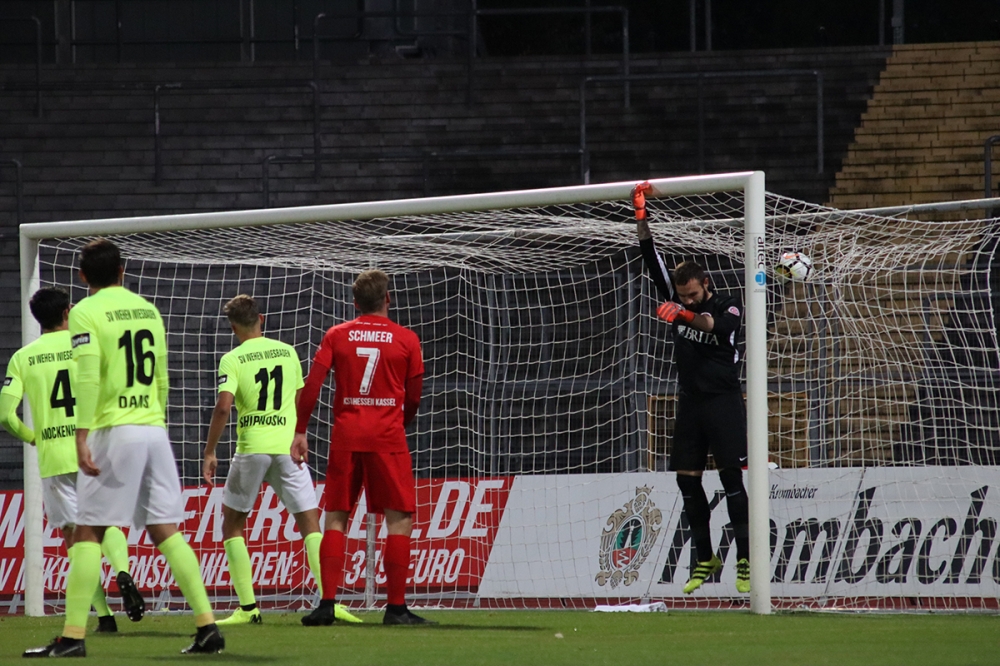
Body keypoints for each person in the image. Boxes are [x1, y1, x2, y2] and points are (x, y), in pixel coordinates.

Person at [24, 239, 223, 658]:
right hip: (153, 429)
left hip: (114, 430)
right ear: (122, 270)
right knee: (164, 529)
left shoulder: (85, 311)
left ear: (83, 276)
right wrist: (155, 422)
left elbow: (88, 376)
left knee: (86, 531)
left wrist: (81, 435)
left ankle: (72, 637)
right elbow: (163, 378)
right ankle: (208, 627)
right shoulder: (148, 310)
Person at [202, 294, 360, 626]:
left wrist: (210, 451)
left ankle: (248, 609)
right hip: (288, 448)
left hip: (252, 448)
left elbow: (223, 407)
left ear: (233, 327)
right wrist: (299, 433)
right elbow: (301, 398)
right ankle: (329, 601)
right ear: (261, 319)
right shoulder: (288, 352)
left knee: (232, 523)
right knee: (310, 523)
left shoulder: (232, 358)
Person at [632, 182, 751, 595]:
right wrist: (641, 215)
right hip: (690, 404)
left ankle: (747, 560)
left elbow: (712, 326)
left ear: (706, 285)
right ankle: (705, 558)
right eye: (682, 296)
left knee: (732, 482)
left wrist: (681, 314)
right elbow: (650, 256)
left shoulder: (728, 304)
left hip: (723, 403)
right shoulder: (681, 298)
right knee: (686, 482)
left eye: (694, 294)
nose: (688, 300)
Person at [3, 287, 144, 634]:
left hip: (54, 456)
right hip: (94, 449)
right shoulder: (88, 345)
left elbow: (5, 415)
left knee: (76, 540)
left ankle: (105, 617)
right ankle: (123, 572)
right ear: (68, 312)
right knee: (107, 523)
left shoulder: (23, 357)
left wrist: (33, 437)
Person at [294, 269, 431, 626]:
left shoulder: (337, 335)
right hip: (387, 437)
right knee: (399, 518)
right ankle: (396, 609)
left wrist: (300, 430)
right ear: (388, 298)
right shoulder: (407, 339)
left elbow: (312, 385)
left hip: (346, 436)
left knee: (336, 516)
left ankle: (327, 604)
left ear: (355, 303)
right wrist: (401, 422)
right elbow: (414, 397)